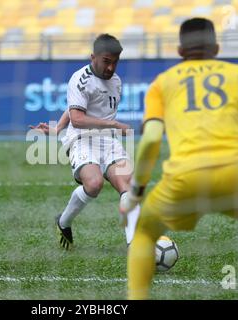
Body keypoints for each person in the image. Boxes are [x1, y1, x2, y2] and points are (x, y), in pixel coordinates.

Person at [120, 17, 238, 299]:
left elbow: (152, 139)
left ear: (180, 52)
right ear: (217, 48)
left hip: (185, 178)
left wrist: (136, 192)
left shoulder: (161, 83)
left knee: (144, 235)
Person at [31, 34, 141, 250]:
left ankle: (134, 245)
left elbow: (76, 106)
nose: (110, 67)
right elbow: (78, 118)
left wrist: (57, 128)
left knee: (128, 185)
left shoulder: (117, 82)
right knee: (94, 184)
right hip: (82, 138)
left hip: (107, 140)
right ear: (94, 57)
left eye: (115, 62)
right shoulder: (80, 79)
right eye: (106, 61)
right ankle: (63, 222)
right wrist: (115, 125)